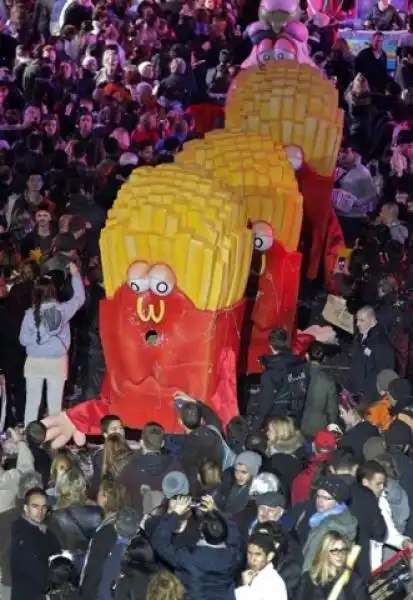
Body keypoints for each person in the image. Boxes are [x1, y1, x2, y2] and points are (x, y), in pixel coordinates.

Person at [19, 263, 85, 426]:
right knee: (55, 406)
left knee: (32, 403)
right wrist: (75, 275)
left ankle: (30, 439)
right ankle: (53, 440)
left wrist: (38, 338)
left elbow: (22, 340)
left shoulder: (30, 314)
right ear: (53, 291)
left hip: (34, 362)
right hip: (57, 362)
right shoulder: (63, 310)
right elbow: (79, 298)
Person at [150, 495, 244, 600]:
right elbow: (237, 538)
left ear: (202, 533)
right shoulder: (234, 557)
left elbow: (160, 543)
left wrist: (174, 514)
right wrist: (217, 511)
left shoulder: (188, 558)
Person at [247, 328, 310, 433]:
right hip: (296, 418)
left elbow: (265, 405)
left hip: (278, 423)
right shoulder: (301, 365)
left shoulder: (270, 374)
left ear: (271, 346)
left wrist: (254, 428)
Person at [10, 487, 60, 600]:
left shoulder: (46, 532)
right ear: (26, 508)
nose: (40, 511)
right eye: (35, 506)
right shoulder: (21, 534)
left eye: (43, 507)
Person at [296, 531, 370, 600]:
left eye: (343, 550)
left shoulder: (354, 580)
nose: (340, 554)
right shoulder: (308, 578)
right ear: (325, 552)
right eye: (335, 550)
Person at [348, 306, 395, 403]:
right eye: (357, 320)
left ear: (372, 320)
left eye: (362, 320)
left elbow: (383, 370)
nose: (357, 324)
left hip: (369, 393)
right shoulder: (363, 333)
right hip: (358, 386)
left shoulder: (381, 343)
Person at [300, 342, 338, 439]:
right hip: (317, 428)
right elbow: (332, 411)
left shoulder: (296, 374)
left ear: (307, 356)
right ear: (324, 359)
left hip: (296, 425)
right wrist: (333, 433)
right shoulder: (328, 381)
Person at [235, 532, 287, 600]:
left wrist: (245, 587)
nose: (252, 559)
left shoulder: (273, 583)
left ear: (270, 556)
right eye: (249, 553)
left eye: (258, 554)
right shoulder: (251, 575)